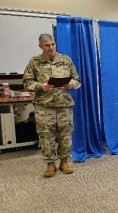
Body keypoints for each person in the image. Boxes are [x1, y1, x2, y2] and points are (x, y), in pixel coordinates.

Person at [23, 33, 81, 178]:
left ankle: (64, 162)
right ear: (41, 46)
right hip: (44, 106)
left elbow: (77, 79)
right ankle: (50, 164)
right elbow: (27, 83)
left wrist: (71, 84)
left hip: (64, 105)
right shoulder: (34, 62)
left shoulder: (65, 60)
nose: (51, 48)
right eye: (47, 45)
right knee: (46, 137)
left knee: (65, 136)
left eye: (53, 44)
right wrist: (40, 86)